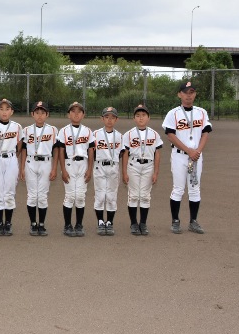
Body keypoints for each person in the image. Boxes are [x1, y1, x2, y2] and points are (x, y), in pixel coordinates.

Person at [162, 81, 212, 234]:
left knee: (195, 189)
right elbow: (170, 135)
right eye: (185, 92)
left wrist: (197, 151)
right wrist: (189, 151)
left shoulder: (201, 112)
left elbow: (205, 133)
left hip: (196, 156)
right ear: (179, 94)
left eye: (191, 92)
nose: (188, 95)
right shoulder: (173, 113)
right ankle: (175, 221)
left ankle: (193, 221)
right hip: (180, 156)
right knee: (178, 189)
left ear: (195, 94)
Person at [122, 104, 163, 236]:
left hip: (149, 166)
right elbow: (125, 154)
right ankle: (134, 223)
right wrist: (124, 172)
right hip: (133, 165)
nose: (141, 118)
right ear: (134, 118)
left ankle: (143, 223)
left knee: (145, 196)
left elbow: (157, 153)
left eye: (144, 115)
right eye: (138, 115)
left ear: (148, 118)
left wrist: (156, 172)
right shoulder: (128, 134)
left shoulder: (154, 134)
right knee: (133, 195)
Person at [55, 101, 94, 237]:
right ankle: (67, 225)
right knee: (70, 196)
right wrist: (63, 169)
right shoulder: (63, 131)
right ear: (68, 115)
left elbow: (91, 150)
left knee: (81, 196)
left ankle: (79, 224)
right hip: (69, 164)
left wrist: (90, 169)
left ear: (83, 115)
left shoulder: (88, 131)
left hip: (83, 164)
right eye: (73, 111)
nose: (76, 114)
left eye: (79, 112)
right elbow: (60, 151)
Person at [19, 101, 58, 236]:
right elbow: (24, 149)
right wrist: (22, 167)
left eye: (42, 113)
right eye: (37, 112)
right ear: (32, 114)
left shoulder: (53, 130)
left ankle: (41, 224)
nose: (40, 115)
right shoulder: (27, 130)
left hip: (46, 162)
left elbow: (56, 149)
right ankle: (33, 223)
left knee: (42, 196)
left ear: (47, 114)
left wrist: (54, 168)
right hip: (30, 162)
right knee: (32, 195)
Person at [0, 98, 23, 236]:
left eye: (7, 109)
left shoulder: (17, 127)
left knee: (9, 191)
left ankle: (8, 223)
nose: (4, 112)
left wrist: (14, 156)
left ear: (12, 112)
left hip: (12, 159)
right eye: (1, 109)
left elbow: (20, 144)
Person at [92, 107, 124, 236]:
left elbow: (122, 153)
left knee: (111, 195)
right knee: (100, 195)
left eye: (112, 117)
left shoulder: (120, 136)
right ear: (102, 119)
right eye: (106, 117)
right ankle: (100, 221)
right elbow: (91, 151)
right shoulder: (95, 134)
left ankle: (109, 222)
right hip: (99, 166)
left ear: (116, 119)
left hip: (113, 166)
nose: (109, 120)